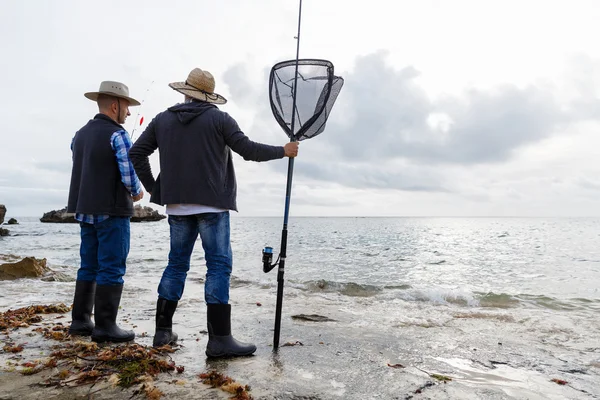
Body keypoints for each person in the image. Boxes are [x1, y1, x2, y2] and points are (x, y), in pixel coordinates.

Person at [129, 68, 299, 357]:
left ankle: (162, 334)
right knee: (218, 267)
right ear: (209, 96)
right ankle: (219, 339)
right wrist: (283, 151)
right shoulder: (219, 119)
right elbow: (248, 150)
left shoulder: (162, 119)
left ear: (186, 92)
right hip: (213, 206)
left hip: (177, 207)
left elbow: (136, 153)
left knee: (176, 265)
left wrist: (157, 188)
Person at [67, 81, 144, 343]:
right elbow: (128, 172)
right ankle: (106, 326)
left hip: (85, 208)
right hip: (112, 210)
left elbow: (83, 161)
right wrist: (137, 192)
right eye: (127, 107)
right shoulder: (119, 135)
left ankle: (80, 321)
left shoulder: (79, 134)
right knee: (112, 267)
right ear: (115, 106)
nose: (129, 113)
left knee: (88, 265)